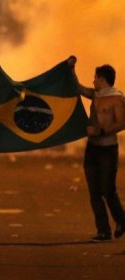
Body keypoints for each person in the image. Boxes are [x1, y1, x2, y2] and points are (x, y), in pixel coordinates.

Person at [72, 60, 125, 242]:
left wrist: (103, 131)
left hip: (107, 149)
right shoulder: (96, 95)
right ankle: (103, 231)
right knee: (94, 192)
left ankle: (121, 220)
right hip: (92, 148)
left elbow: (122, 122)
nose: (93, 81)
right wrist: (70, 68)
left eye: (95, 78)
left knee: (107, 190)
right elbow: (77, 88)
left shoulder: (116, 98)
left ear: (102, 79)